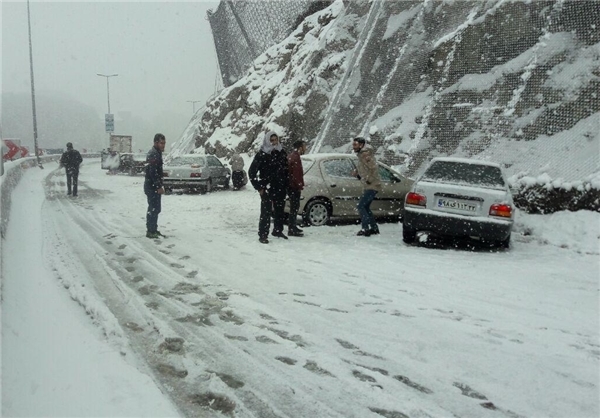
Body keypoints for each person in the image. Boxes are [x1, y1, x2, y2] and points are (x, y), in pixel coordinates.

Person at [248, 131, 289, 244]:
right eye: (272, 140)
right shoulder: (262, 155)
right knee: (266, 212)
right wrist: (259, 187)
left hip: (280, 186)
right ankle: (263, 234)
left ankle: (277, 230)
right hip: (267, 188)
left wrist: (286, 184)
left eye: (276, 140)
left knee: (280, 210)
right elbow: (252, 172)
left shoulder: (282, 153)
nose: (274, 143)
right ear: (267, 141)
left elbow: (286, 170)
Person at [351, 137, 382, 236]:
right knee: (366, 207)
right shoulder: (361, 155)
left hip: (372, 185)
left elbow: (373, 168)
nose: (353, 147)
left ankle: (366, 229)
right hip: (369, 185)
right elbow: (365, 168)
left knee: (361, 206)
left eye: (355, 144)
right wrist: (358, 172)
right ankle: (374, 228)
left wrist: (369, 180)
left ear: (361, 145)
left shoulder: (365, 154)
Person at [144, 133, 166, 239]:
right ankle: (150, 230)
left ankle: (154, 229)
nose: (163, 145)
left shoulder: (157, 153)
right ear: (155, 143)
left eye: (164, 143)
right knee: (153, 208)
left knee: (156, 208)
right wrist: (158, 186)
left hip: (153, 185)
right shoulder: (153, 154)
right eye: (161, 143)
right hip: (151, 186)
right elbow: (152, 172)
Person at [287, 140, 307, 237]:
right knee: (294, 207)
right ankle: (292, 228)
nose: (305, 148)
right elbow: (296, 173)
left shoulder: (292, 156)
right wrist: (299, 185)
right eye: (304, 146)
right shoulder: (295, 158)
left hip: (291, 186)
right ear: (300, 147)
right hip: (293, 186)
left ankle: (292, 226)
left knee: (293, 207)